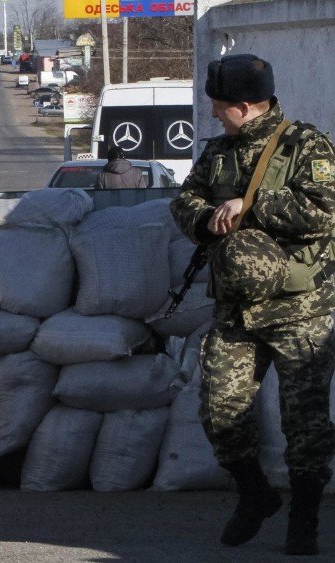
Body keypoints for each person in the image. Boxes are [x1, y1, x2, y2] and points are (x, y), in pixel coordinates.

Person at [170, 54, 335, 556]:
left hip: (300, 309)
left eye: (219, 107)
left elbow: (326, 208)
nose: (214, 115)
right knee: (220, 411)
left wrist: (253, 204)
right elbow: (185, 200)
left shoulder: (306, 145)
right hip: (236, 310)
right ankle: (255, 494)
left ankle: (304, 519)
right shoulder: (218, 152)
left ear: (243, 106)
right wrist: (204, 218)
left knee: (303, 423)